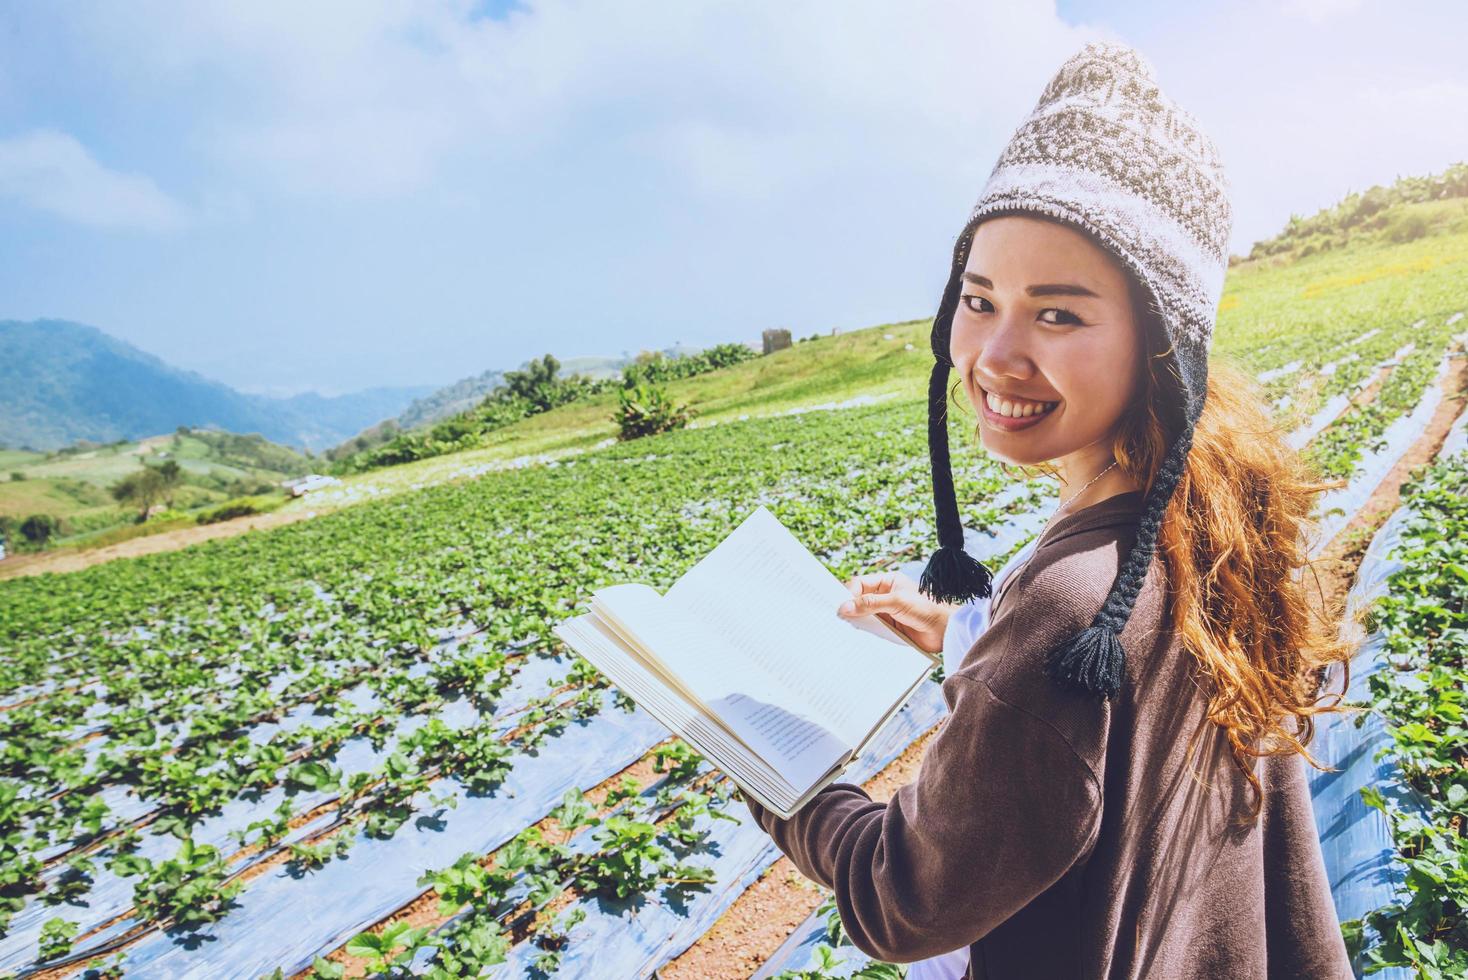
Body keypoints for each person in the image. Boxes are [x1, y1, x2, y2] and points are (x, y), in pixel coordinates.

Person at [739, 40, 1357, 978]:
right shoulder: (1200, 518)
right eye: (980, 300)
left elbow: (905, 900)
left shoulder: (1071, 610)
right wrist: (966, 640)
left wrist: (778, 771)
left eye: (1059, 314)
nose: (995, 356)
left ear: (1160, 342)